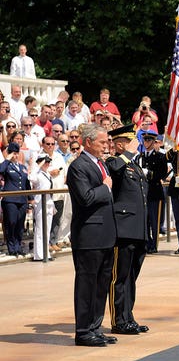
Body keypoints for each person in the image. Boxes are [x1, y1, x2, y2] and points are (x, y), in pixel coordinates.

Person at [66, 123, 117, 347]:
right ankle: (83, 331)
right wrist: (105, 188)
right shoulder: (78, 166)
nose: (106, 145)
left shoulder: (100, 163)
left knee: (101, 284)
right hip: (89, 235)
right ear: (88, 142)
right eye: (102, 142)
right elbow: (85, 197)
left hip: (105, 234)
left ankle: (96, 327)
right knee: (87, 285)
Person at [105, 124, 150, 335]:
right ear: (120, 144)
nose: (137, 145)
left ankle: (128, 317)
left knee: (131, 277)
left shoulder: (134, 166)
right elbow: (113, 169)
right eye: (132, 142)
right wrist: (129, 152)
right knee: (119, 277)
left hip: (137, 229)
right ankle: (118, 321)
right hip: (123, 230)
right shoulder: (114, 162)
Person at [134, 130, 167, 254]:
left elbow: (162, 173)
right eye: (145, 140)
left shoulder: (160, 157)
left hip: (154, 192)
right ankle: (146, 242)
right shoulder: (139, 157)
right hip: (143, 193)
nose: (146, 142)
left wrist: (150, 173)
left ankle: (154, 244)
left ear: (154, 142)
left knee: (154, 220)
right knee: (145, 220)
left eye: (149, 140)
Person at [0, 142, 33, 256]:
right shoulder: (6, 165)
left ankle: (18, 246)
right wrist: (7, 159)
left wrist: (30, 198)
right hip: (10, 199)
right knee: (11, 222)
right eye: (13, 153)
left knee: (20, 224)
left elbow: (26, 183)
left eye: (16, 153)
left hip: (22, 200)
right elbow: (0, 171)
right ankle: (11, 247)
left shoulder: (22, 167)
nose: (15, 155)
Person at [29, 154, 55, 261]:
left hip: (48, 202)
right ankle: (39, 255)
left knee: (47, 229)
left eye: (48, 162)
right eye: (45, 162)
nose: (47, 164)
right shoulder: (38, 173)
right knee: (40, 229)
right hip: (40, 203)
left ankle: (46, 253)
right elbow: (31, 178)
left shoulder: (47, 174)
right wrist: (38, 166)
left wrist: (52, 205)